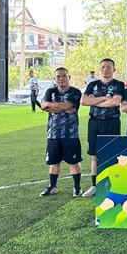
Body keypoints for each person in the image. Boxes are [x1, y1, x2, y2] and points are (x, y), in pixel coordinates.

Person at [81, 58, 125, 197]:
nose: (106, 70)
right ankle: (95, 185)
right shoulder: (92, 84)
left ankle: (112, 184)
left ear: (114, 69)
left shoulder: (119, 84)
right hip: (94, 123)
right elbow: (84, 101)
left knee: (112, 154)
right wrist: (105, 98)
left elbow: (115, 102)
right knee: (95, 155)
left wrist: (94, 100)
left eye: (109, 67)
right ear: (100, 69)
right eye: (103, 67)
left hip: (111, 122)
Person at [39, 67, 83, 197]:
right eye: (58, 76)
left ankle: (77, 187)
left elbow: (68, 106)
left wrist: (51, 106)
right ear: (54, 79)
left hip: (71, 133)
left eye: (64, 76)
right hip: (53, 134)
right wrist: (62, 107)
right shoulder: (50, 91)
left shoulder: (75, 92)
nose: (61, 79)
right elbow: (43, 106)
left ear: (69, 78)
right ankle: (52, 186)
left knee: (73, 161)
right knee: (54, 161)